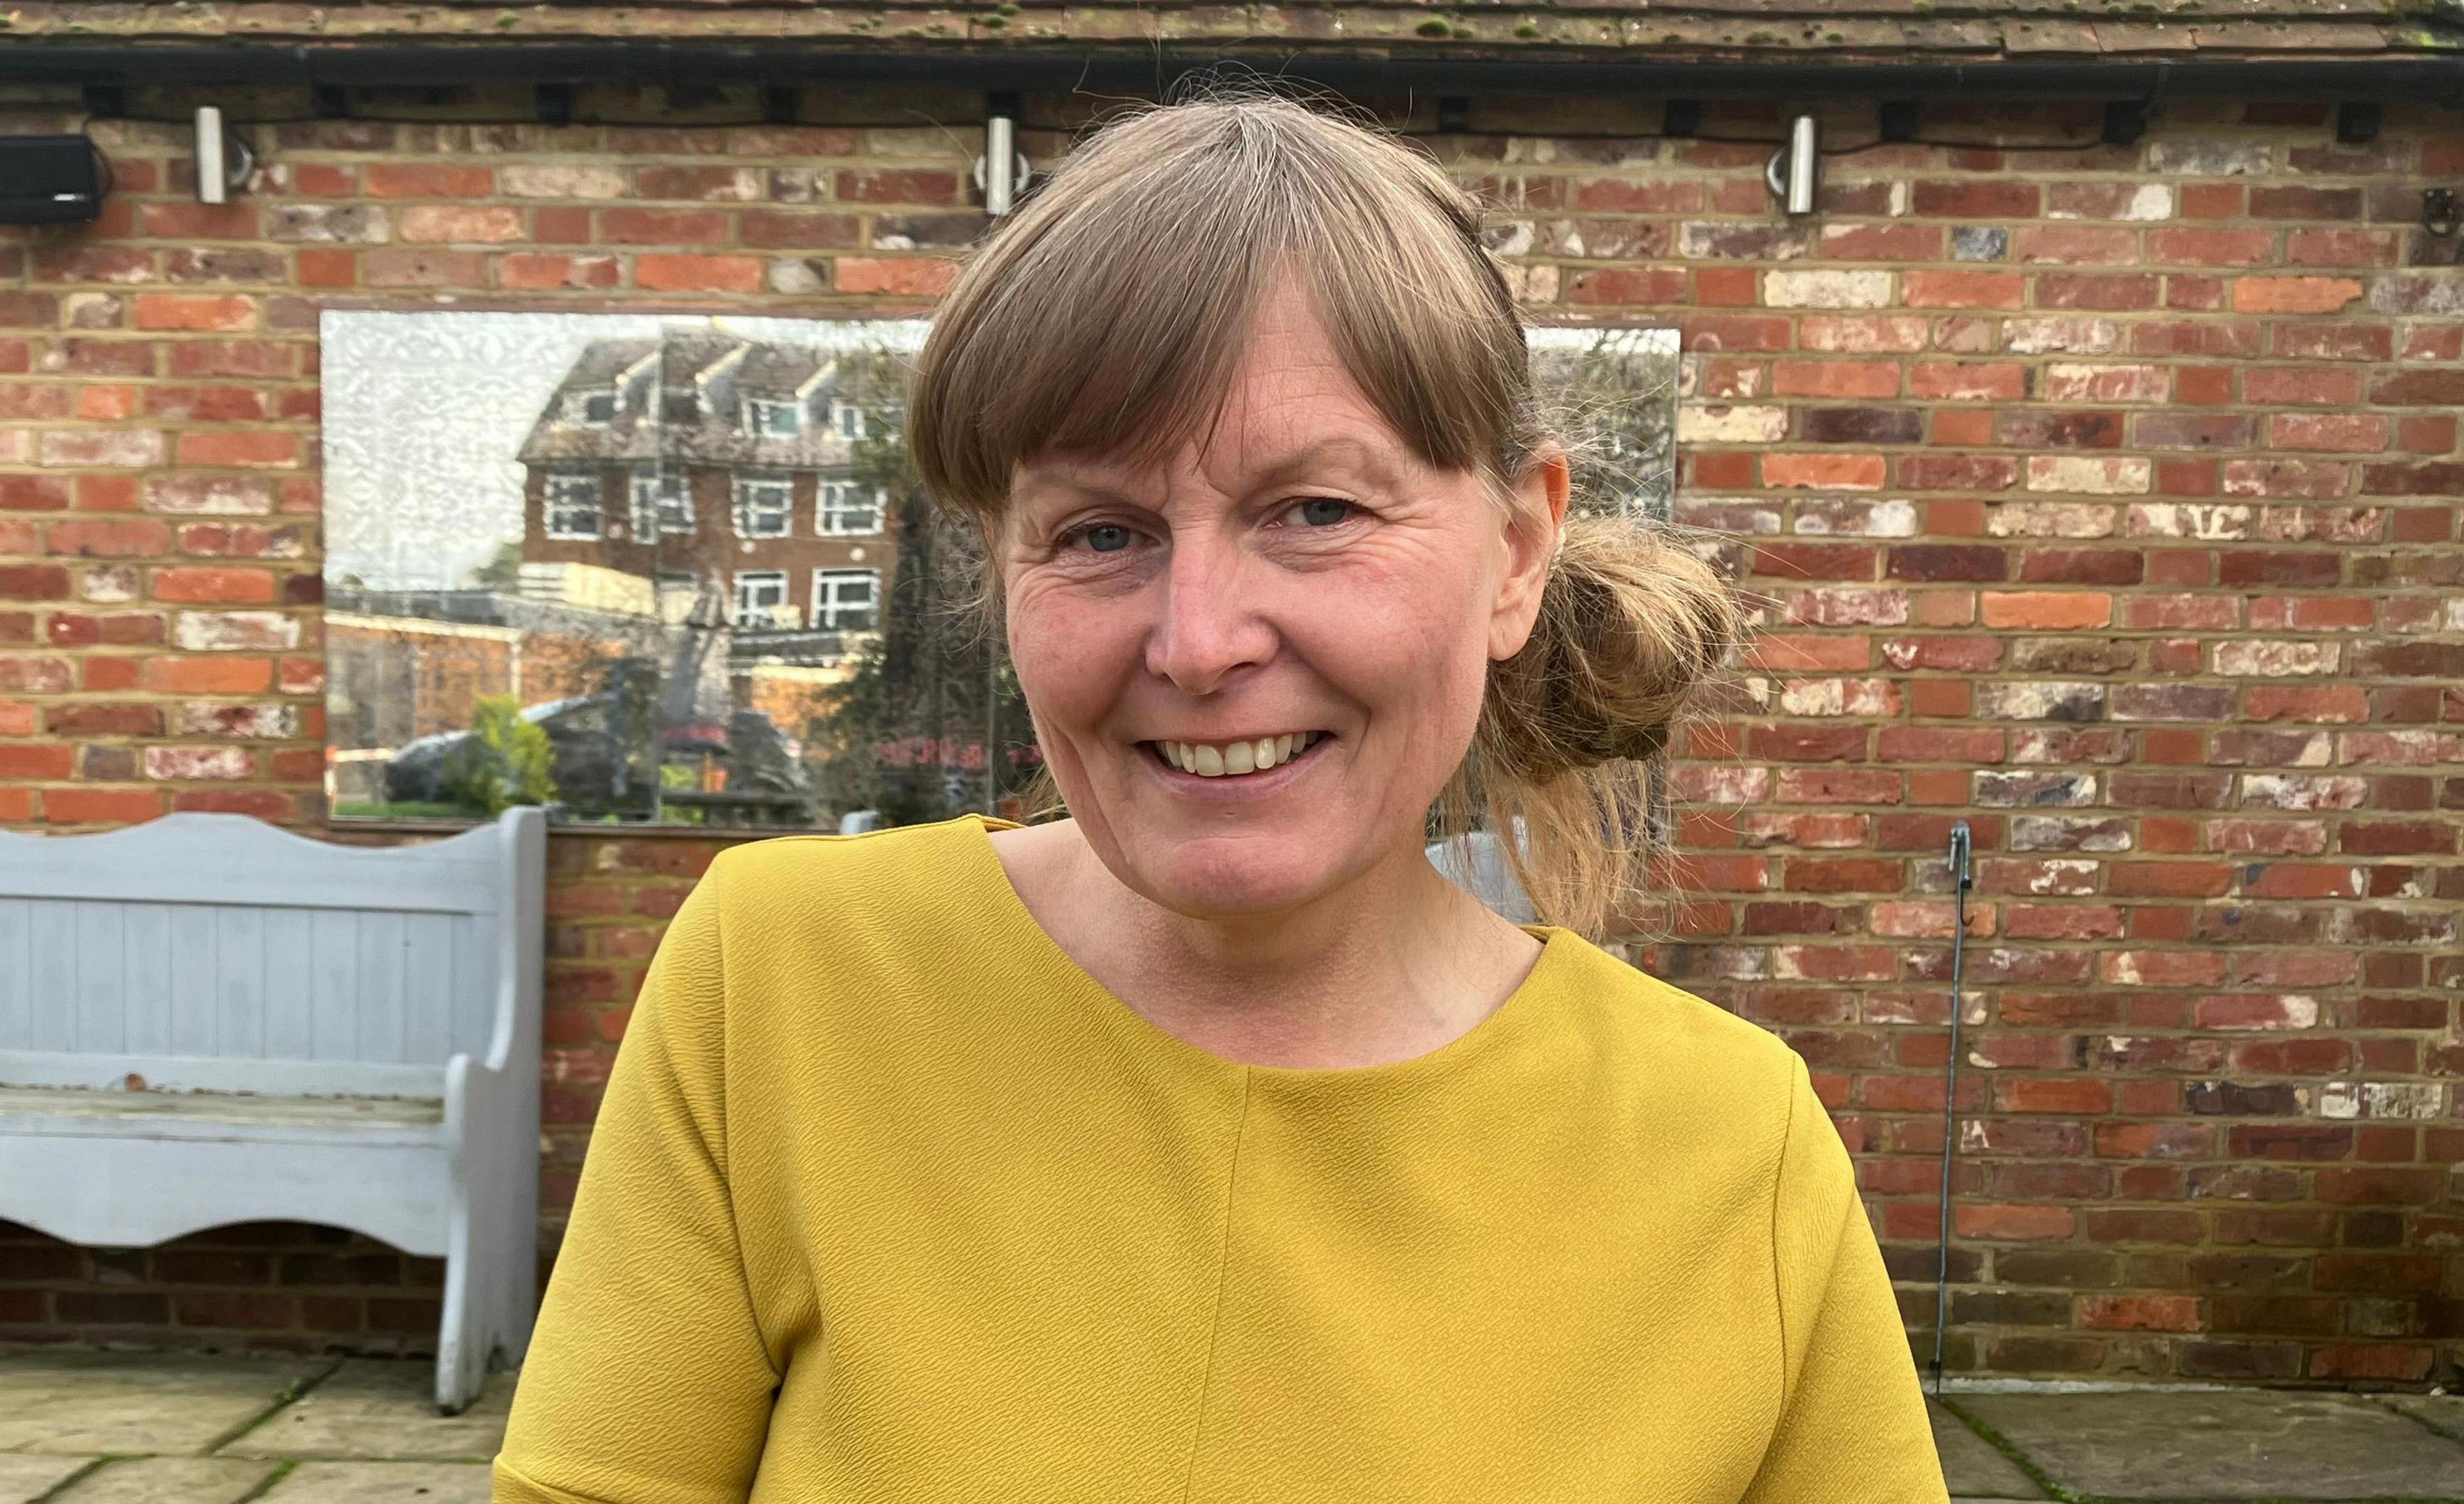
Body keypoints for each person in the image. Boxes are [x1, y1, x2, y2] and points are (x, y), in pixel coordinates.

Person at [493, 93, 1948, 1503]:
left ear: (1515, 552)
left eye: (1315, 512)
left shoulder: (1729, 1145)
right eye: (1101, 531)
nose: (1197, 642)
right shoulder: (785, 986)